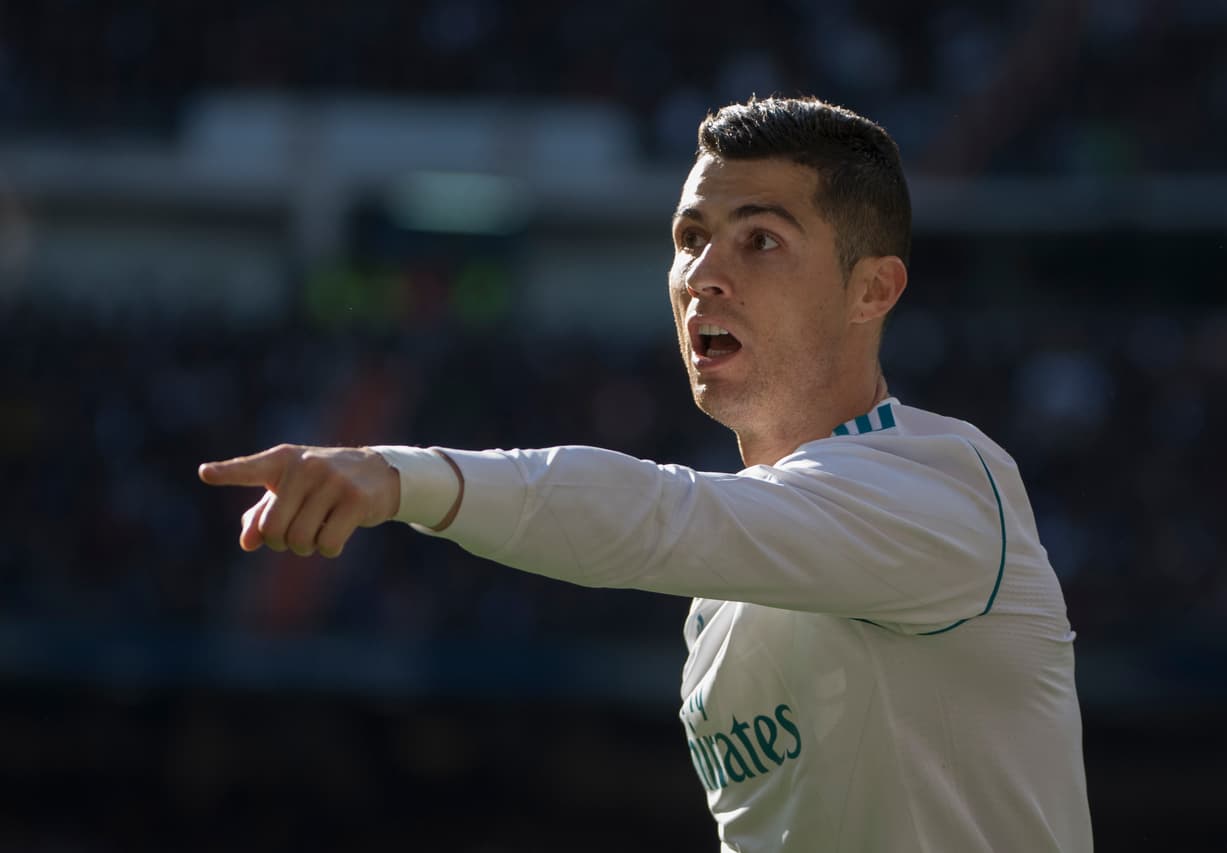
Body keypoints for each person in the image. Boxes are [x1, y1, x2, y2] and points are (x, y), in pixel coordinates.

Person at [200, 96, 1093, 852]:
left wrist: (403, 477)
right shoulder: (719, 599)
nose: (703, 274)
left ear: (873, 290)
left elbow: (662, 514)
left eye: (761, 241)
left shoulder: (944, 483)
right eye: (690, 238)